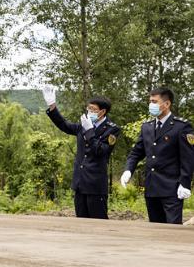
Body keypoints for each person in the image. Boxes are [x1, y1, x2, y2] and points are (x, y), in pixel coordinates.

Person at [42, 86, 120, 219]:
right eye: (88, 108)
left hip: (95, 186)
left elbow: (100, 151)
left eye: (93, 109)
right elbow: (64, 125)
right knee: (81, 224)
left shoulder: (112, 130)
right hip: (80, 184)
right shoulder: (83, 125)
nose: (89, 111)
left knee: (98, 224)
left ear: (102, 112)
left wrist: (90, 131)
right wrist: (52, 106)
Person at [121, 87, 193, 224]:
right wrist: (128, 169)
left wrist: (185, 183)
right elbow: (136, 152)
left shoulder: (181, 127)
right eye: (150, 101)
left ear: (166, 104)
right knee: (154, 230)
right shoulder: (147, 127)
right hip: (151, 188)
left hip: (172, 189)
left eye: (154, 101)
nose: (151, 105)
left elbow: (188, 158)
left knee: (172, 231)